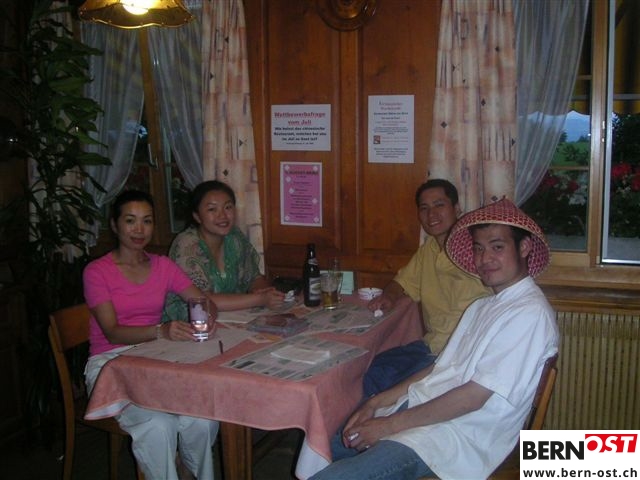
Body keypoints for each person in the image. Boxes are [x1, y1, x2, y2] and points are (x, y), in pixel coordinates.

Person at [310, 198, 559, 480]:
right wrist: (376, 403)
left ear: (524, 248)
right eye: (479, 248)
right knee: (332, 444)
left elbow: (473, 398)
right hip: (429, 408)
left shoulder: (529, 313)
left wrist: (388, 425)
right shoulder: (483, 305)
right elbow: (441, 367)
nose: (485, 258)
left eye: (497, 247)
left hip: (459, 435)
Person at [83, 190, 219, 480]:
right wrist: (161, 331)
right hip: (110, 363)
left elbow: (202, 300)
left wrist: (206, 316)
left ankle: (190, 472)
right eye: (130, 220)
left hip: (153, 358)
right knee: (158, 425)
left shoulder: (162, 265)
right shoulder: (97, 272)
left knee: (202, 417)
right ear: (115, 224)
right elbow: (112, 332)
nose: (139, 229)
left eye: (146, 221)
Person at [363, 179, 490, 396]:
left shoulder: (476, 252)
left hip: (460, 356)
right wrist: (389, 296)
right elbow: (401, 282)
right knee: (371, 370)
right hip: (430, 346)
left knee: (394, 392)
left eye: (439, 205)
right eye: (424, 208)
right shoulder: (428, 249)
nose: (432, 214)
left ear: (457, 209)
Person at [163, 180, 284, 322]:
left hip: (232, 317)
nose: (222, 215)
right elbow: (202, 300)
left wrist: (265, 292)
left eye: (228, 207)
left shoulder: (234, 237)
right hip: (189, 323)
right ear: (197, 216)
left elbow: (254, 278)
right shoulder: (186, 245)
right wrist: (259, 299)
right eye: (212, 209)